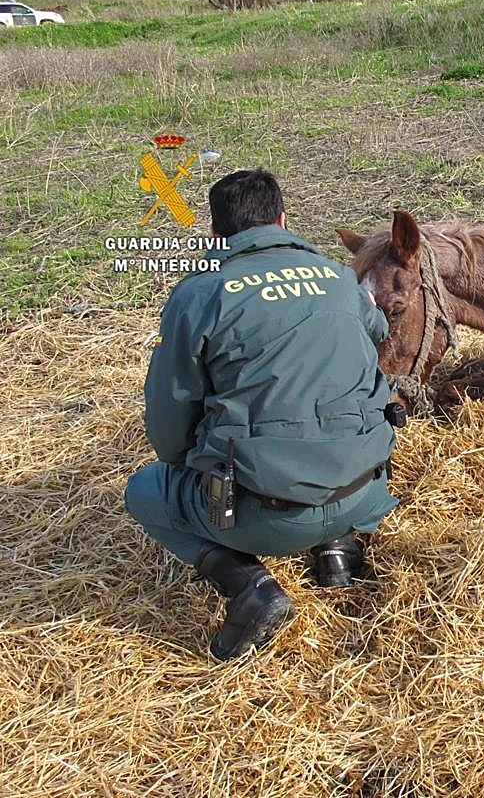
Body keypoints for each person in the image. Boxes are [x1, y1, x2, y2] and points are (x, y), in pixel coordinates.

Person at [124, 169, 400, 661]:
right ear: (282, 218)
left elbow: (170, 425)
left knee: (145, 489)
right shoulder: (338, 277)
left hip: (258, 515)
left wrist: (189, 463)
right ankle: (337, 552)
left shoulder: (200, 292)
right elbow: (379, 328)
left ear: (216, 234)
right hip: (364, 494)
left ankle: (250, 586)